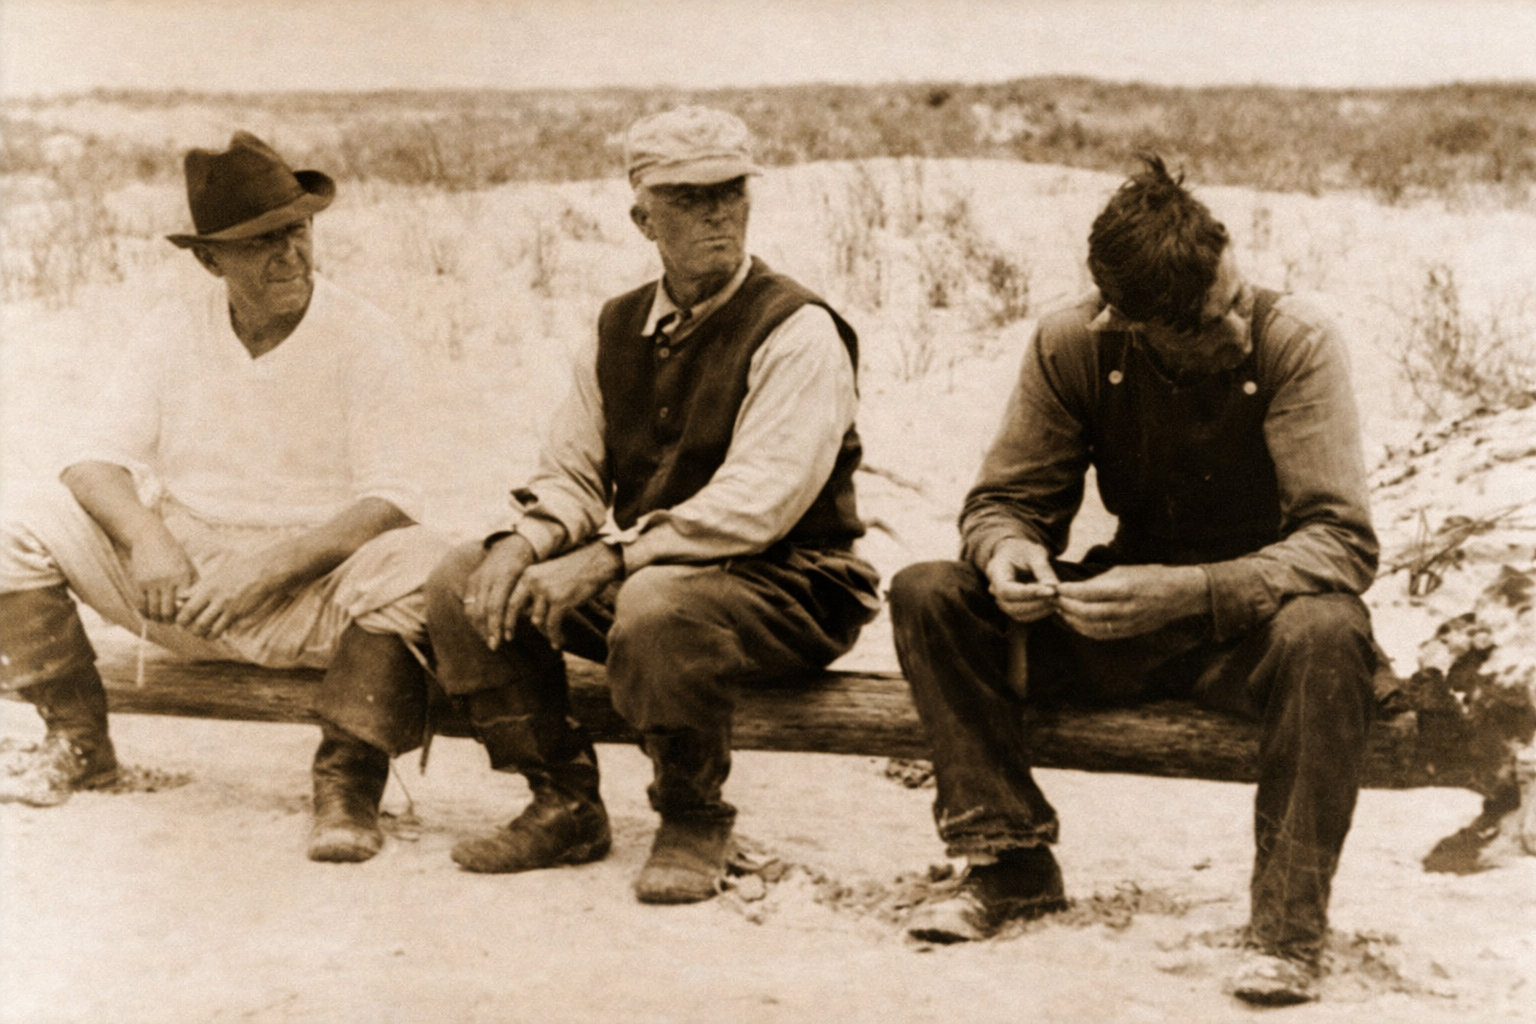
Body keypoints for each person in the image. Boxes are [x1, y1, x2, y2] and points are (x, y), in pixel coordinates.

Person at [888, 155, 1381, 1006]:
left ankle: (1287, 932)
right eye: (1205, 323)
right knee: (929, 592)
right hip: (1120, 619)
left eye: (1234, 297)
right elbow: (1005, 501)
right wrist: (1008, 553)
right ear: (1127, 323)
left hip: (1255, 633)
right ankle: (1009, 863)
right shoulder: (1074, 342)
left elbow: (1340, 545)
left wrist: (1190, 592)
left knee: (1330, 630)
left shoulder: (1296, 342)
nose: (1236, 328)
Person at [424, 106, 880, 903]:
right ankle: (562, 800)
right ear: (643, 219)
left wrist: (609, 557)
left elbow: (760, 502)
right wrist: (523, 544)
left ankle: (693, 813)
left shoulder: (797, 328)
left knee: (657, 603)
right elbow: (573, 470)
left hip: (795, 588)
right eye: (689, 198)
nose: (717, 213)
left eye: (731, 192)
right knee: (465, 575)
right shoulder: (618, 326)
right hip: (657, 577)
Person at [0, 132, 448, 866]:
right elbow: (90, 460)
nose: (290, 254)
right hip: (182, 590)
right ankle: (78, 742)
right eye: (261, 241)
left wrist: (268, 569)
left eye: (298, 231)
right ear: (210, 260)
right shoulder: (173, 329)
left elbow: (392, 497)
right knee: (16, 526)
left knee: (426, 565)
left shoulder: (365, 336)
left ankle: (348, 784)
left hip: (315, 593)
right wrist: (149, 538)